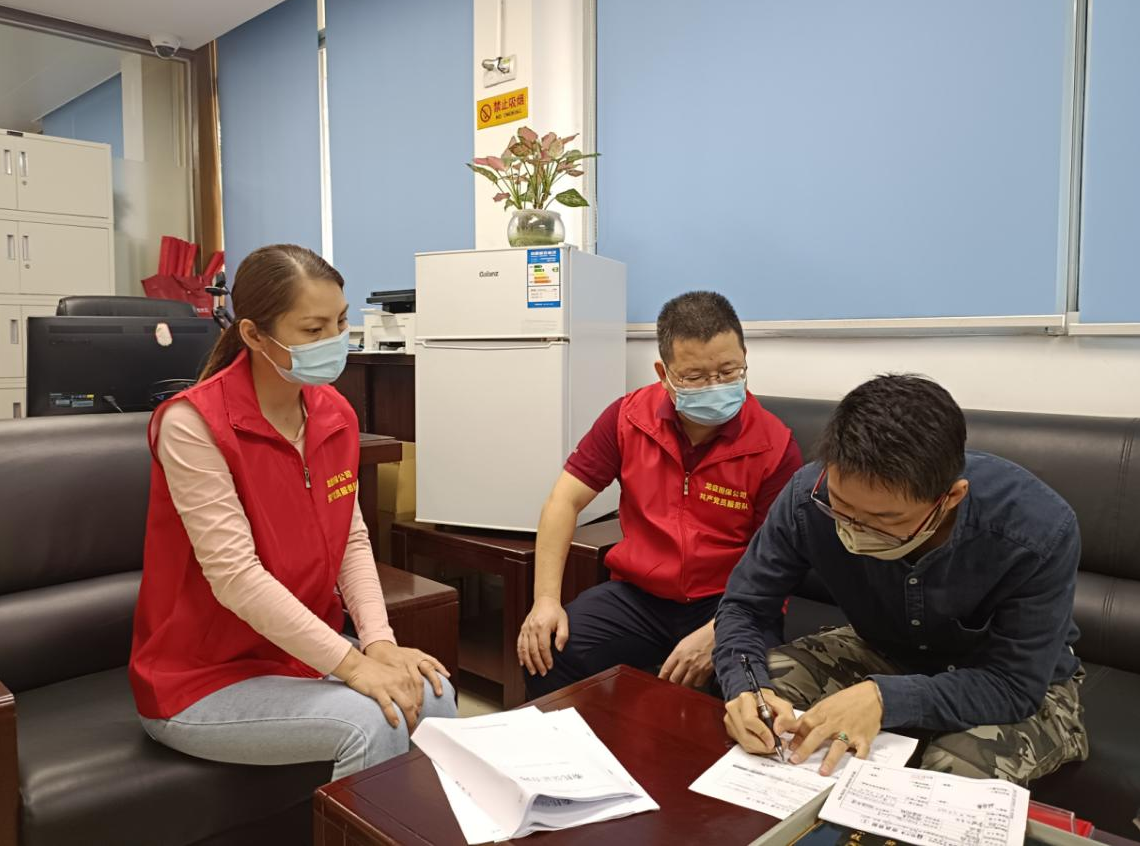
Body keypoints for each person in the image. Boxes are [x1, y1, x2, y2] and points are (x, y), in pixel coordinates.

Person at [130, 244, 456, 780]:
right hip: (201, 678)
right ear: (255, 335)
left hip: (299, 655)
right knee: (375, 722)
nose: (334, 340)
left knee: (434, 694)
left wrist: (379, 643)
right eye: (313, 329)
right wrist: (353, 665)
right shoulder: (193, 425)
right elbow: (236, 578)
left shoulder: (335, 414)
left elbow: (350, 540)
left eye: (341, 322)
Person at [716, 374, 1088, 784]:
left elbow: (1014, 684)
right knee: (767, 701)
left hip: (1004, 679)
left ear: (951, 497)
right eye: (841, 507)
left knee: (954, 771)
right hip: (882, 650)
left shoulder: (1036, 529)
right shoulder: (808, 496)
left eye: (885, 520)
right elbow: (746, 607)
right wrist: (747, 689)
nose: (855, 529)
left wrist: (884, 698)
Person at [519, 291, 803, 698]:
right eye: (695, 377)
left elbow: (775, 563)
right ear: (663, 373)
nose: (715, 385)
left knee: (747, 688)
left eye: (728, 371)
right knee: (550, 648)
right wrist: (545, 600)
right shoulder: (628, 418)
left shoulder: (774, 446)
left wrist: (720, 629)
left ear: (744, 358)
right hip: (640, 597)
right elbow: (563, 501)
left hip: (731, 602)